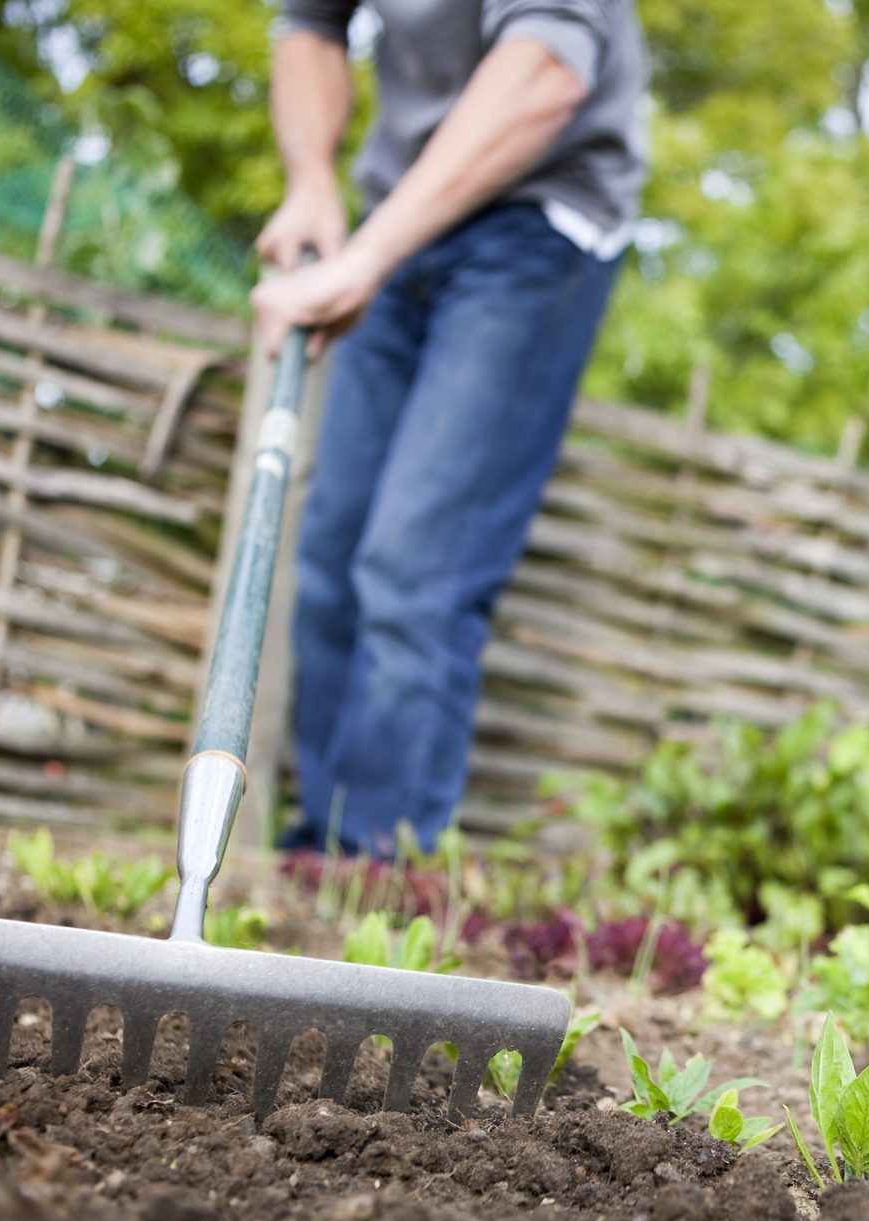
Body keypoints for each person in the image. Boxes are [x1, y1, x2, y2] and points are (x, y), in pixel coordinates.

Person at [249, 0, 645, 856]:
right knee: (330, 555)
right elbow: (310, 25)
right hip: (400, 209)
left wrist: (364, 258)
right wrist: (312, 181)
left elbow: (547, 68)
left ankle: (379, 879)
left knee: (415, 565)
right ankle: (322, 854)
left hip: (538, 211)